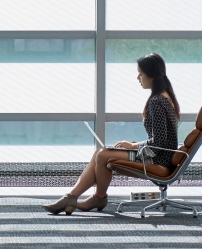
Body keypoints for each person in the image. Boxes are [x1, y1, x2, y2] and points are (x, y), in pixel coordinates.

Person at [42, 53, 180, 215]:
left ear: (152, 75)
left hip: (158, 158)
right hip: (161, 154)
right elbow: (160, 140)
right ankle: (75, 197)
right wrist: (133, 145)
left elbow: (159, 142)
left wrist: (136, 147)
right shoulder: (167, 97)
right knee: (100, 154)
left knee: (102, 156)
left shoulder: (157, 101)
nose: (138, 78)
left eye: (141, 74)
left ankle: (94, 197)